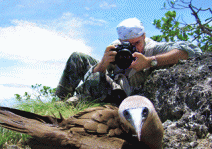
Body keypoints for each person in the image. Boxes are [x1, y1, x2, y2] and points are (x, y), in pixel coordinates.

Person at [55, 18, 202, 105]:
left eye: (137, 43)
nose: (133, 48)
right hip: (112, 86)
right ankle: (59, 102)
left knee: (94, 80)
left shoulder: (153, 48)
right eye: (128, 44)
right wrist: (103, 63)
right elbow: (91, 79)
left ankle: (77, 101)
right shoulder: (116, 48)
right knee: (77, 57)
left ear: (144, 36)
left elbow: (191, 51)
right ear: (121, 41)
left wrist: (150, 62)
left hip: (129, 97)